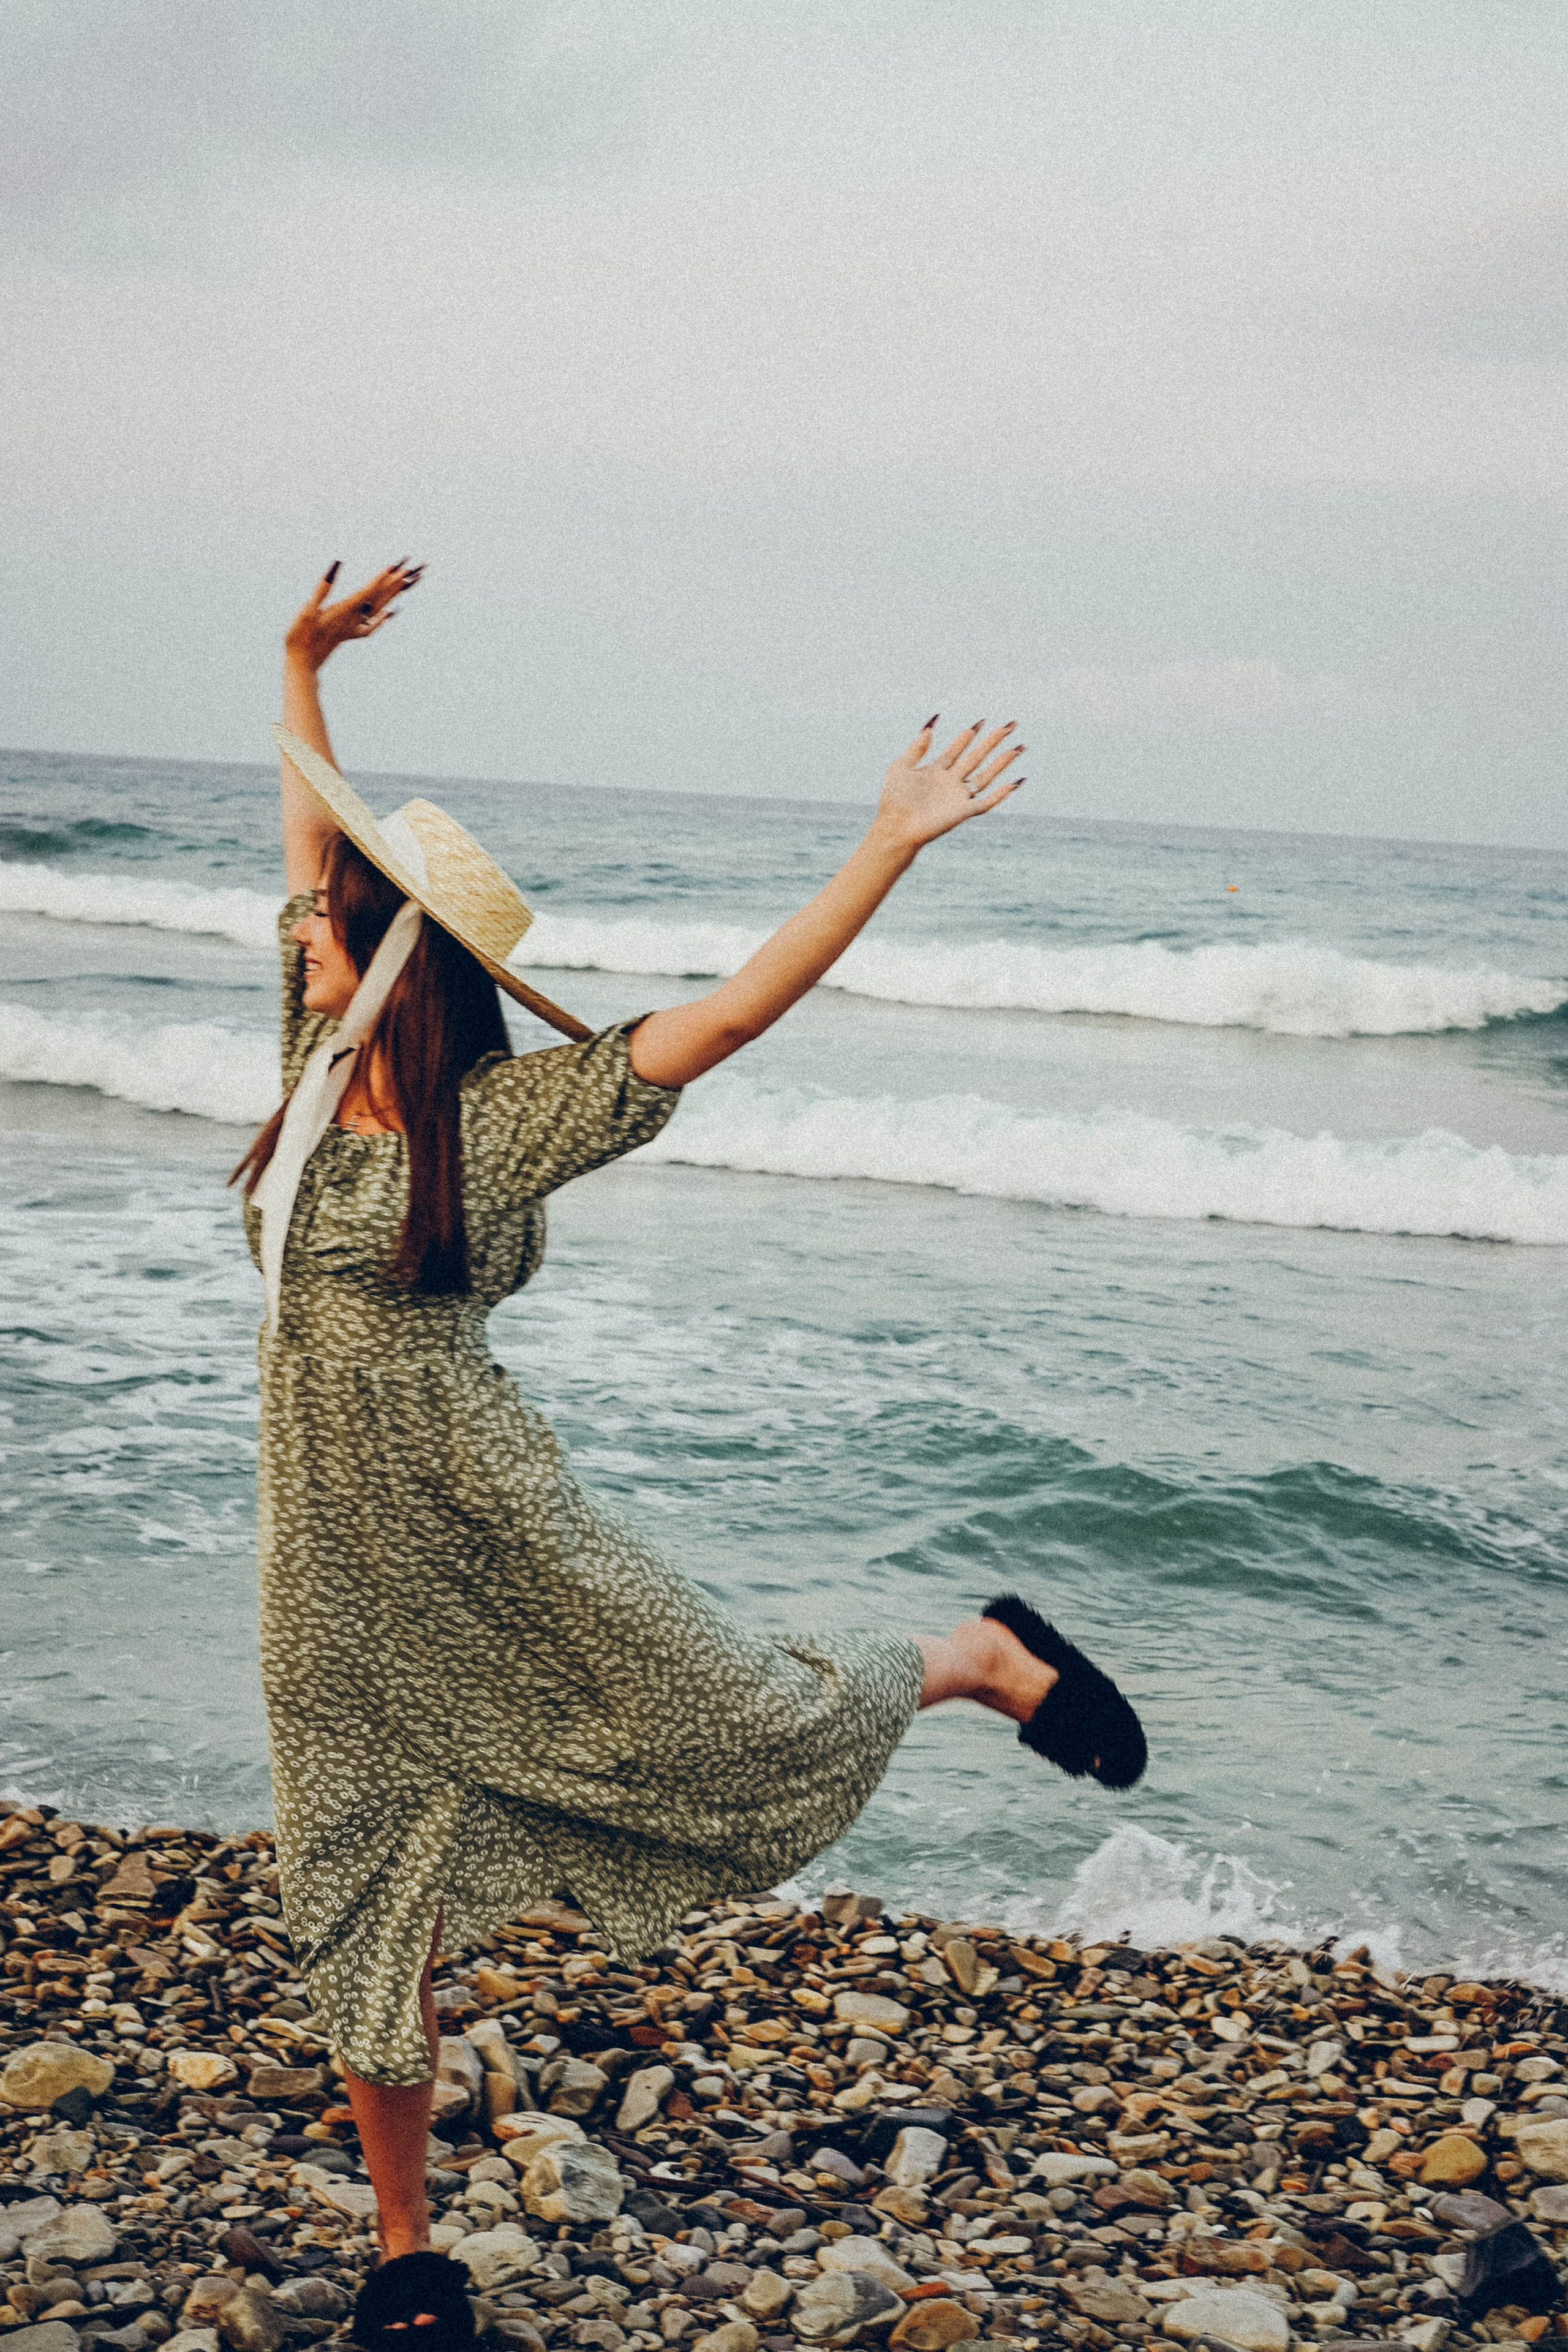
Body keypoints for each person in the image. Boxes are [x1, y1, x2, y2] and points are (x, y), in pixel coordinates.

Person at [233, 561, 1147, 2349]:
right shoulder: (315, 1037)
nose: (304, 927)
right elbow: (302, 840)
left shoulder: (497, 1126)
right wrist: (295, 666)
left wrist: (889, 844)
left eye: (338, 917)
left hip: (491, 1526)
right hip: (324, 1574)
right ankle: (407, 2251)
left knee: (731, 1717)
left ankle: (969, 1658)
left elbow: (726, 1017)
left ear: (402, 958)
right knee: (355, 1887)